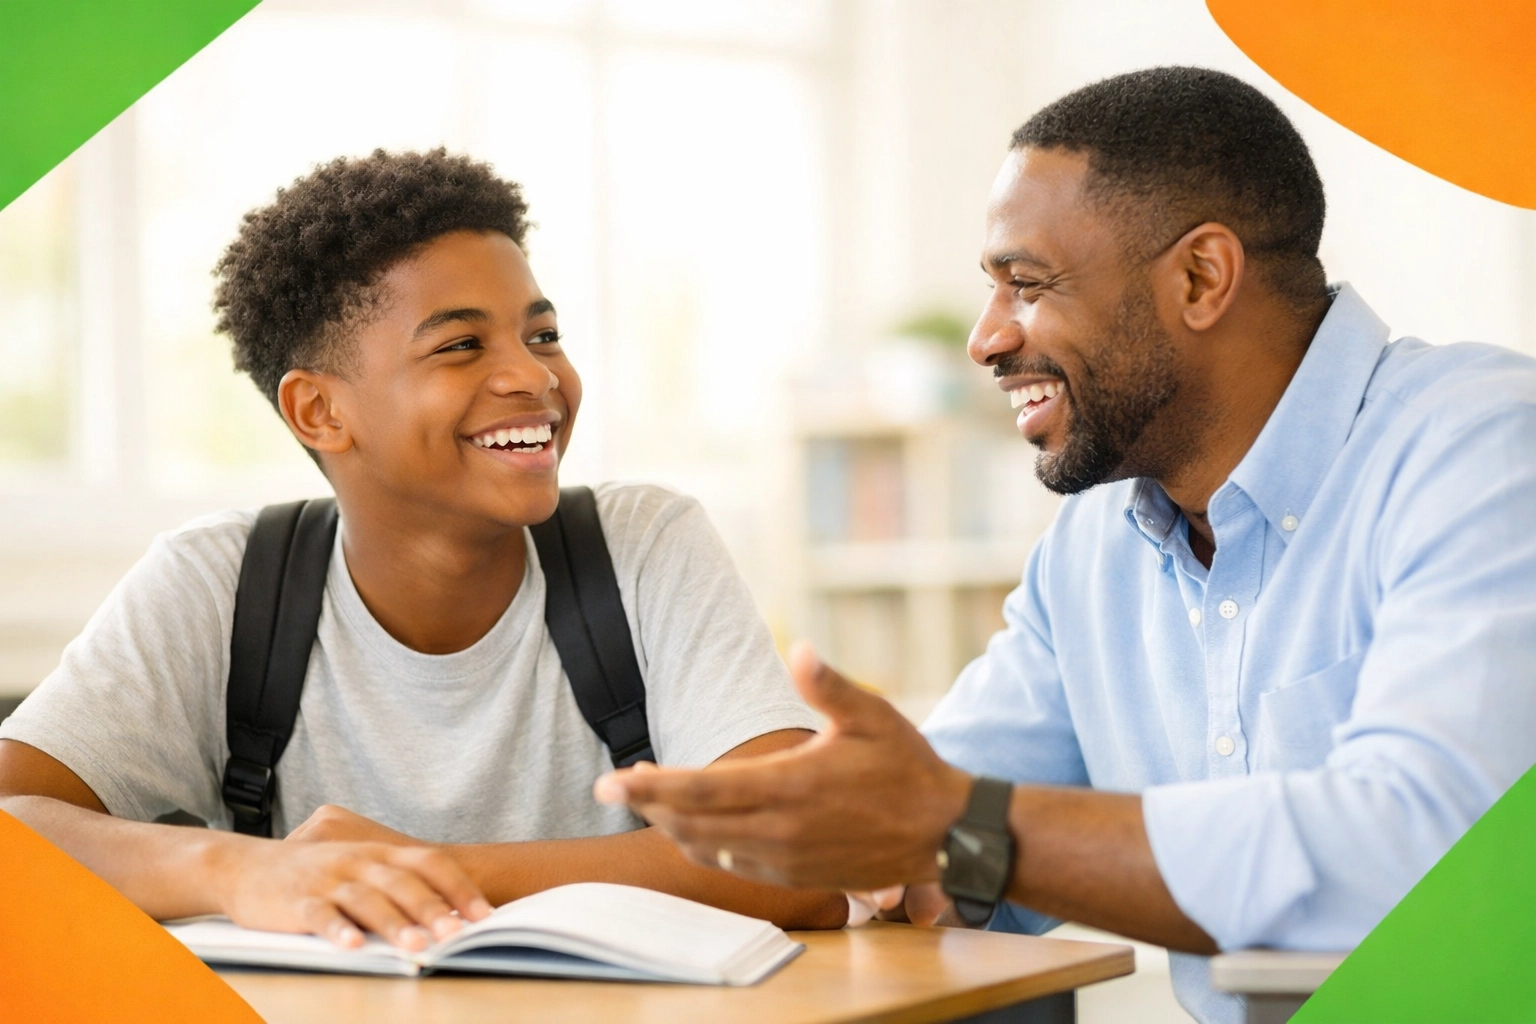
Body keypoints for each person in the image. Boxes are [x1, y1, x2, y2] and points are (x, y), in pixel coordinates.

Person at [595, 67, 1536, 1023]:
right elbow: (954, 848)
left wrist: (952, 821)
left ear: (1201, 278)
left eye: (1027, 285)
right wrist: (880, 836)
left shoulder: (1486, 446)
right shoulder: (1097, 545)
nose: (986, 339)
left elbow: (1419, 853)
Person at [0, 149, 846, 951]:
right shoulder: (218, 585)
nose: (535, 377)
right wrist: (245, 870)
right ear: (319, 412)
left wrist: (420, 871)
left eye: (542, 335)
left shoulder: (644, 546)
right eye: (460, 345)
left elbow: (802, 859)